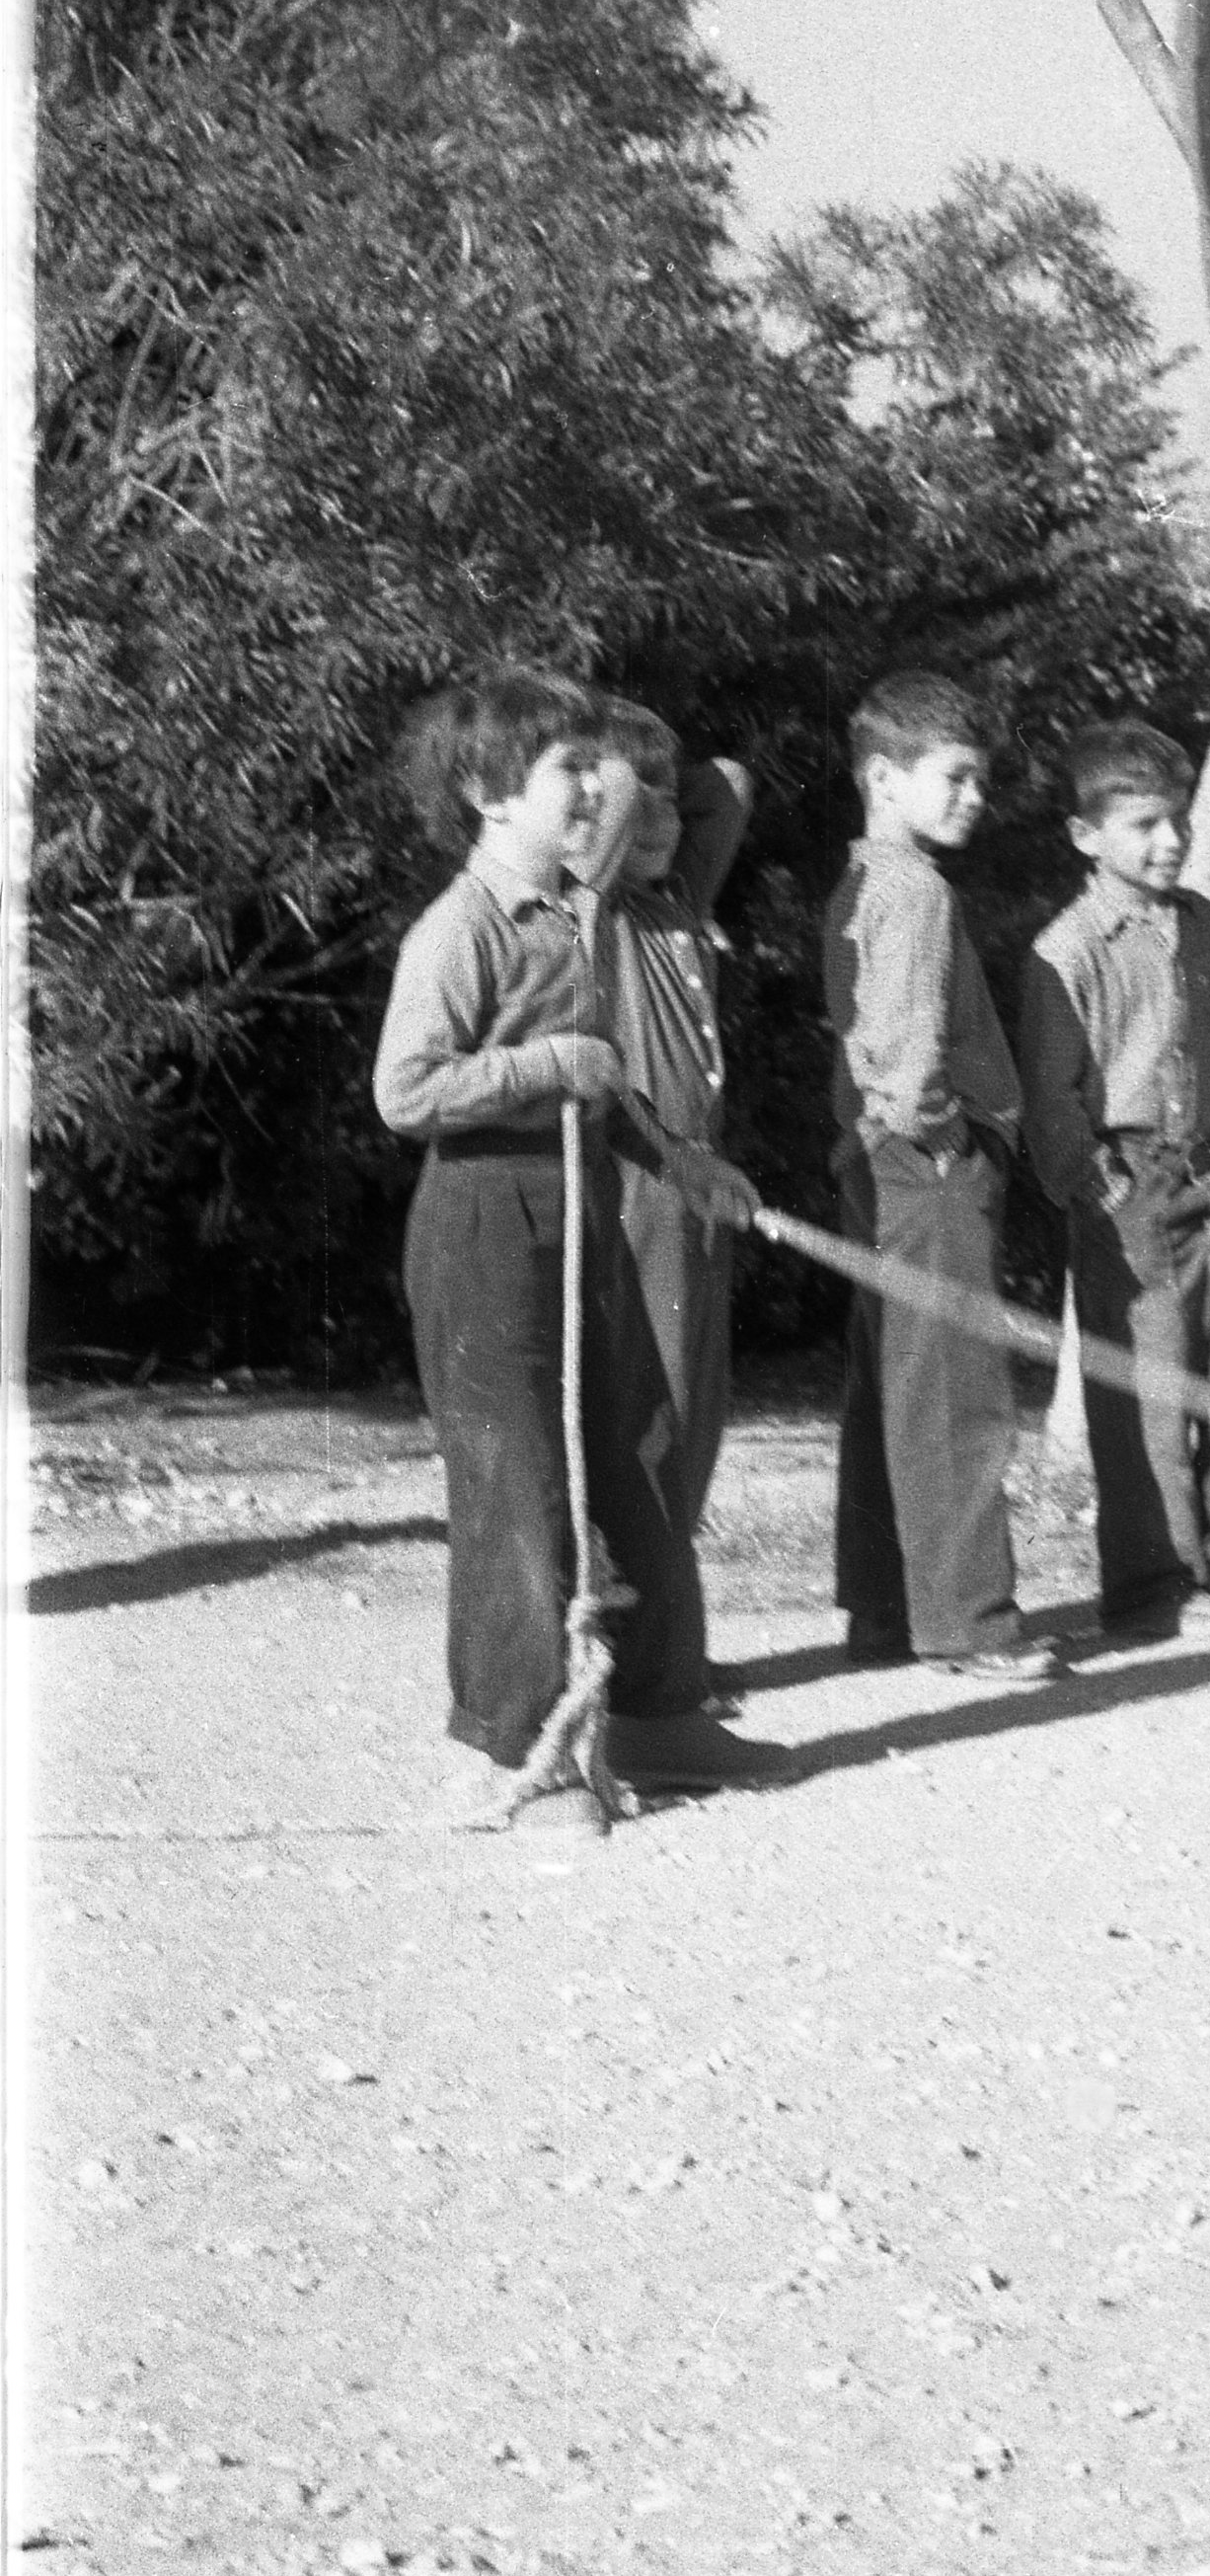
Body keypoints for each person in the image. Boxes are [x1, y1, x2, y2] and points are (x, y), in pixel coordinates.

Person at [372, 666, 736, 1810]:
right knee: (518, 1477)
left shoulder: (580, 913)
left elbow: (605, 1082)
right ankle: (517, 1748)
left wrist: (682, 1158)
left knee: (630, 1447)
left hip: (580, 1200)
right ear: (488, 792)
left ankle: (657, 1715)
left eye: (598, 761)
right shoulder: (461, 927)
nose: (601, 785)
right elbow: (405, 1088)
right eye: (569, 767)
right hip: (485, 1217)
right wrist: (543, 1068)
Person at [1018, 718, 1210, 1650]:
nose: (1170, 841)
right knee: (1146, 1391)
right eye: (1143, 824)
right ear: (1085, 837)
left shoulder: (1201, 924)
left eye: (1176, 821)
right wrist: (1092, 1185)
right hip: (1127, 1183)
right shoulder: (1067, 949)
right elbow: (1054, 1096)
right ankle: (1152, 1585)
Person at [825, 667, 1039, 1675]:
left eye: (979, 781)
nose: (973, 799)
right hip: (925, 1164)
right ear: (882, 777)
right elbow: (906, 1055)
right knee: (953, 1393)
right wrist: (950, 1135)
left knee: (892, 1389)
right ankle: (968, 1623)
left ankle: (886, 1612)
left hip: (878, 1164)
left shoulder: (863, 878)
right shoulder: (912, 888)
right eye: (952, 777)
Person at [573, 696, 755, 1588]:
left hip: (700, 1185)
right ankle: (641, 1630)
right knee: (654, 1404)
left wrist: (659, 776)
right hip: (640, 1174)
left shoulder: (677, 902)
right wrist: (618, 780)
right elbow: (608, 820)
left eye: (666, 802)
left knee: (698, 1405)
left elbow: (729, 788)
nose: (658, 820)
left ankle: (665, 1625)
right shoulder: (591, 909)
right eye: (629, 803)